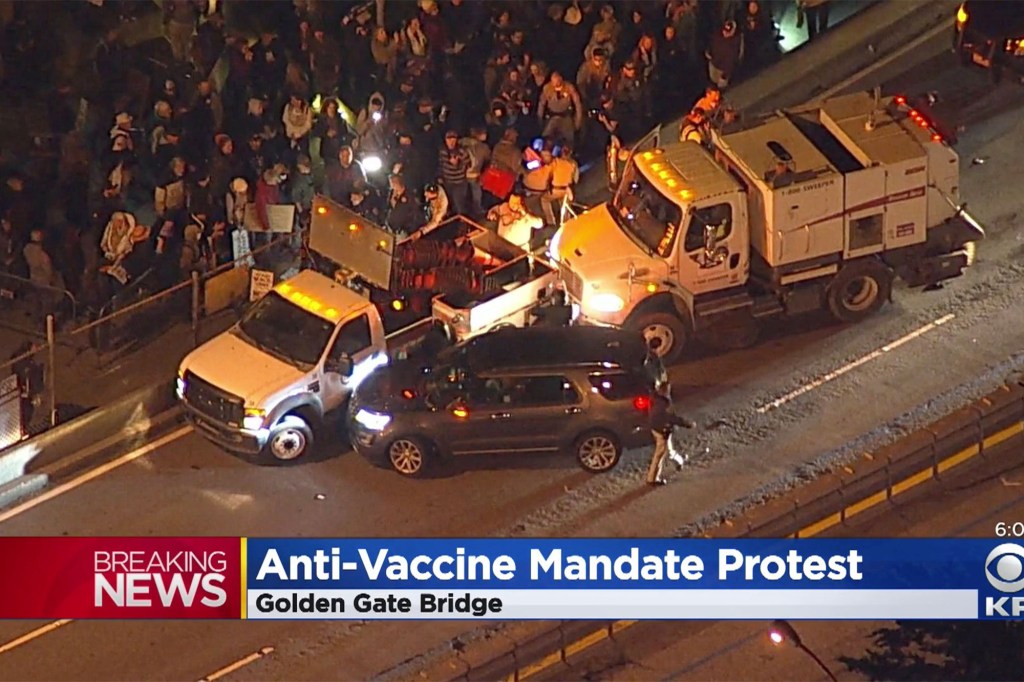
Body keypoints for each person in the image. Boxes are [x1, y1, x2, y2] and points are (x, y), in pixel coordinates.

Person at [646, 380, 696, 486]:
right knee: (660, 454)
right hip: (662, 430)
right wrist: (687, 424)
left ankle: (679, 461)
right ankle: (652, 479)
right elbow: (671, 418)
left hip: (656, 428)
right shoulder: (664, 403)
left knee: (668, 449)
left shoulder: (655, 399)